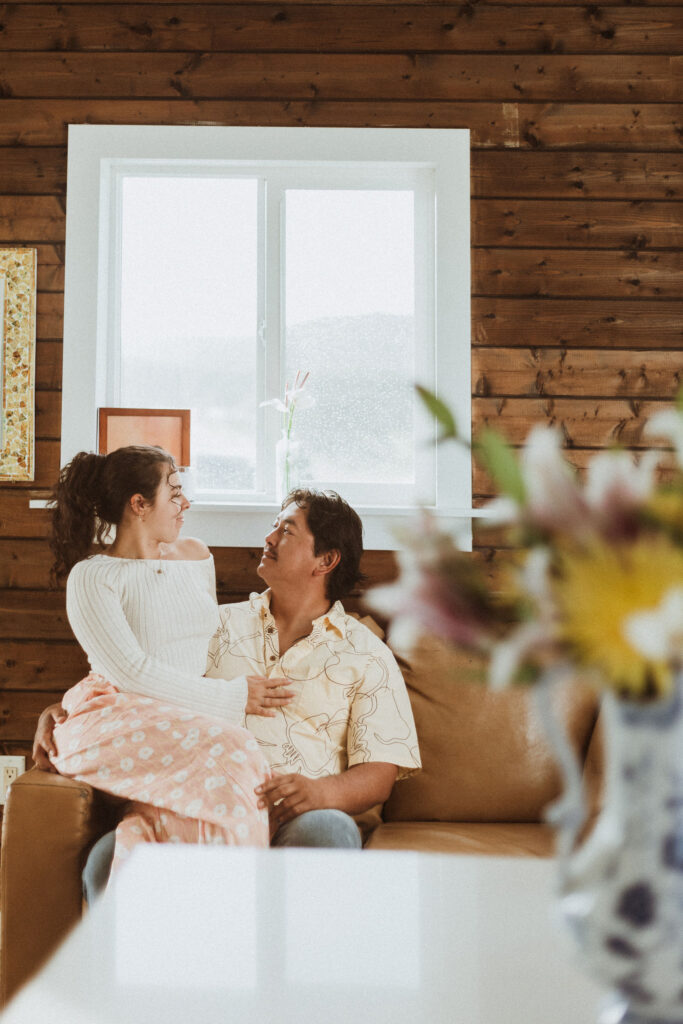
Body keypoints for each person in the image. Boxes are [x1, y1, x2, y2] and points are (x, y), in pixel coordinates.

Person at [36, 487, 421, 898]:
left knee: (329, 832)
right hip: (198, 805)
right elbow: (135, 679)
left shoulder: (366, 654)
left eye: (286, 531)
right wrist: (62, 712)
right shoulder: (211, 626)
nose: (269, 538)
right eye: (273, 527)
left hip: (299, 816)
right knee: (105, 861)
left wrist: (319, 793)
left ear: (325, 560)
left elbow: (380, 774)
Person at [38, 445, 296, 876]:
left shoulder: (195, 556)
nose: (186, 504)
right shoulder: (92, 577)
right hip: (113, 713)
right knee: (237, 750)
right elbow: (129, 673)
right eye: (174, 493)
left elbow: (202, 645)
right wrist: (234, 697)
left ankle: (203, 921)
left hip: (179, 718)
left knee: (178, 819)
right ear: (139, 505)